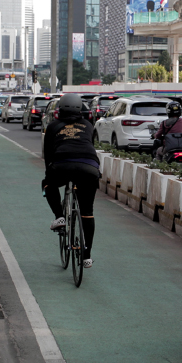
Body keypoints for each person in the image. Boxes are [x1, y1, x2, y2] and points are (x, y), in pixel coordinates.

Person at [42, 93, 100, 268]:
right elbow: (90, 145)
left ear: (59, 109)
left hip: (62, 165)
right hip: (89, 168)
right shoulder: (88, 125)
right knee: (87, 213)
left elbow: (48, 154)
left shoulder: (53, 126)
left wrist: (48, 175)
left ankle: (59, 217)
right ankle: (86, 256)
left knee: (47, 185)